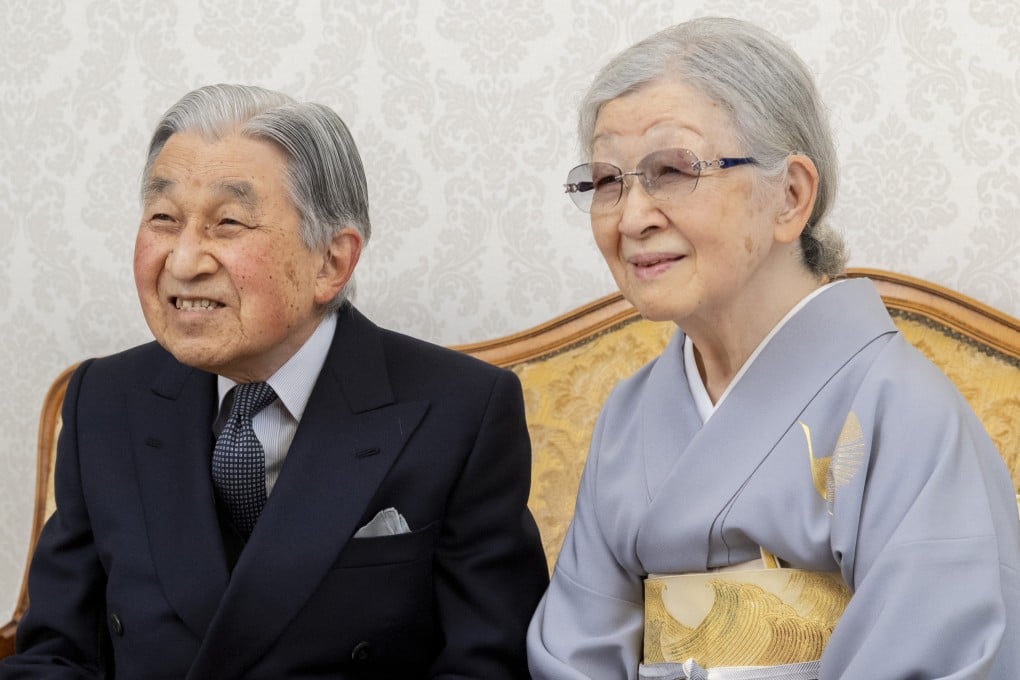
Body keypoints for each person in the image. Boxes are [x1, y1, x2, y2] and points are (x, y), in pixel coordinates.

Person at [527, 17, 1020, 680]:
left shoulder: (902, 412)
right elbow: (573, 656)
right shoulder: (628, 416)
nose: (631, 217)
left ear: (790, 196)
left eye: (671, 170)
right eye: (607, 182)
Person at [1, 84, 548, 679]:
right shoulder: (102, 401)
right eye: (164, 218)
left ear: (331, 263)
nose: (184, 261)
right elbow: (54, 654)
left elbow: (486, 667)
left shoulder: (460, 412)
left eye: (228, 222)